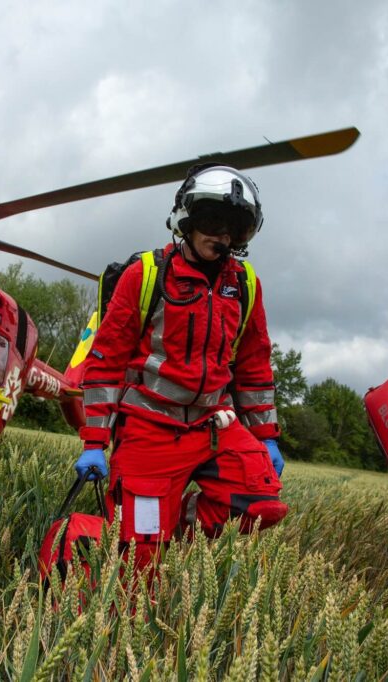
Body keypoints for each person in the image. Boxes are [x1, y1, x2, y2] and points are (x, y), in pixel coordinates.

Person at [74, 164, 287, 570]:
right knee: (141, 566)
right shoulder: (146, 275)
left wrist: (266, 436)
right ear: (186, 219)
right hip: (149, 431)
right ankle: (150, 526)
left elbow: (255, 367)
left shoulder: (246, 285)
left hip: (213, 427)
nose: (222, 236)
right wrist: (94, 442)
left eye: (236, 229)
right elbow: (104, 364)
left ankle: (171, 518)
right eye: (212, 220)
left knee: (263, 505)